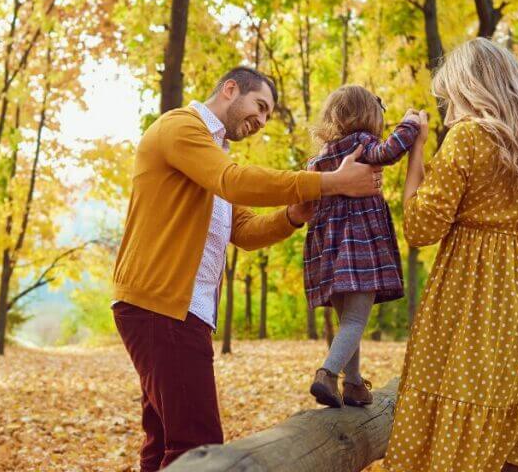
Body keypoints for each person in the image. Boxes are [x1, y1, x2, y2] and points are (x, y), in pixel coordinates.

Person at [112, 66, 383, 471]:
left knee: (165, 443)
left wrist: (292, 215)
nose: (260, 121)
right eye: (259, 106)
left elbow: (244, 230)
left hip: (185, 310)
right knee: (197, 445)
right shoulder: (181, 128)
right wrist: (326, 183)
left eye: (267, 116)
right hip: (162, 307)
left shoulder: (213, 155)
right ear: (230, 89)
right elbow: (233, 181)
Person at [384, 38, 518, 472]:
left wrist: (417, 153)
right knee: (512, 430)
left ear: (471, 87)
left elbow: (420, 228)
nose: (450, 109)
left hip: (470, 305)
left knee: (455, 419)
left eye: (450, 98)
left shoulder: (467, 139)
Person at [303, 85, 422, 408]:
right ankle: (327, 373)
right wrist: (411, 124)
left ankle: (354, 385)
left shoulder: (322, 156)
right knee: (356, 321)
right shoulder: (361, 143)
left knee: (349, 322)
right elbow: (389, 152)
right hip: (359, 247)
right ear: (369, 115)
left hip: (328, 252)